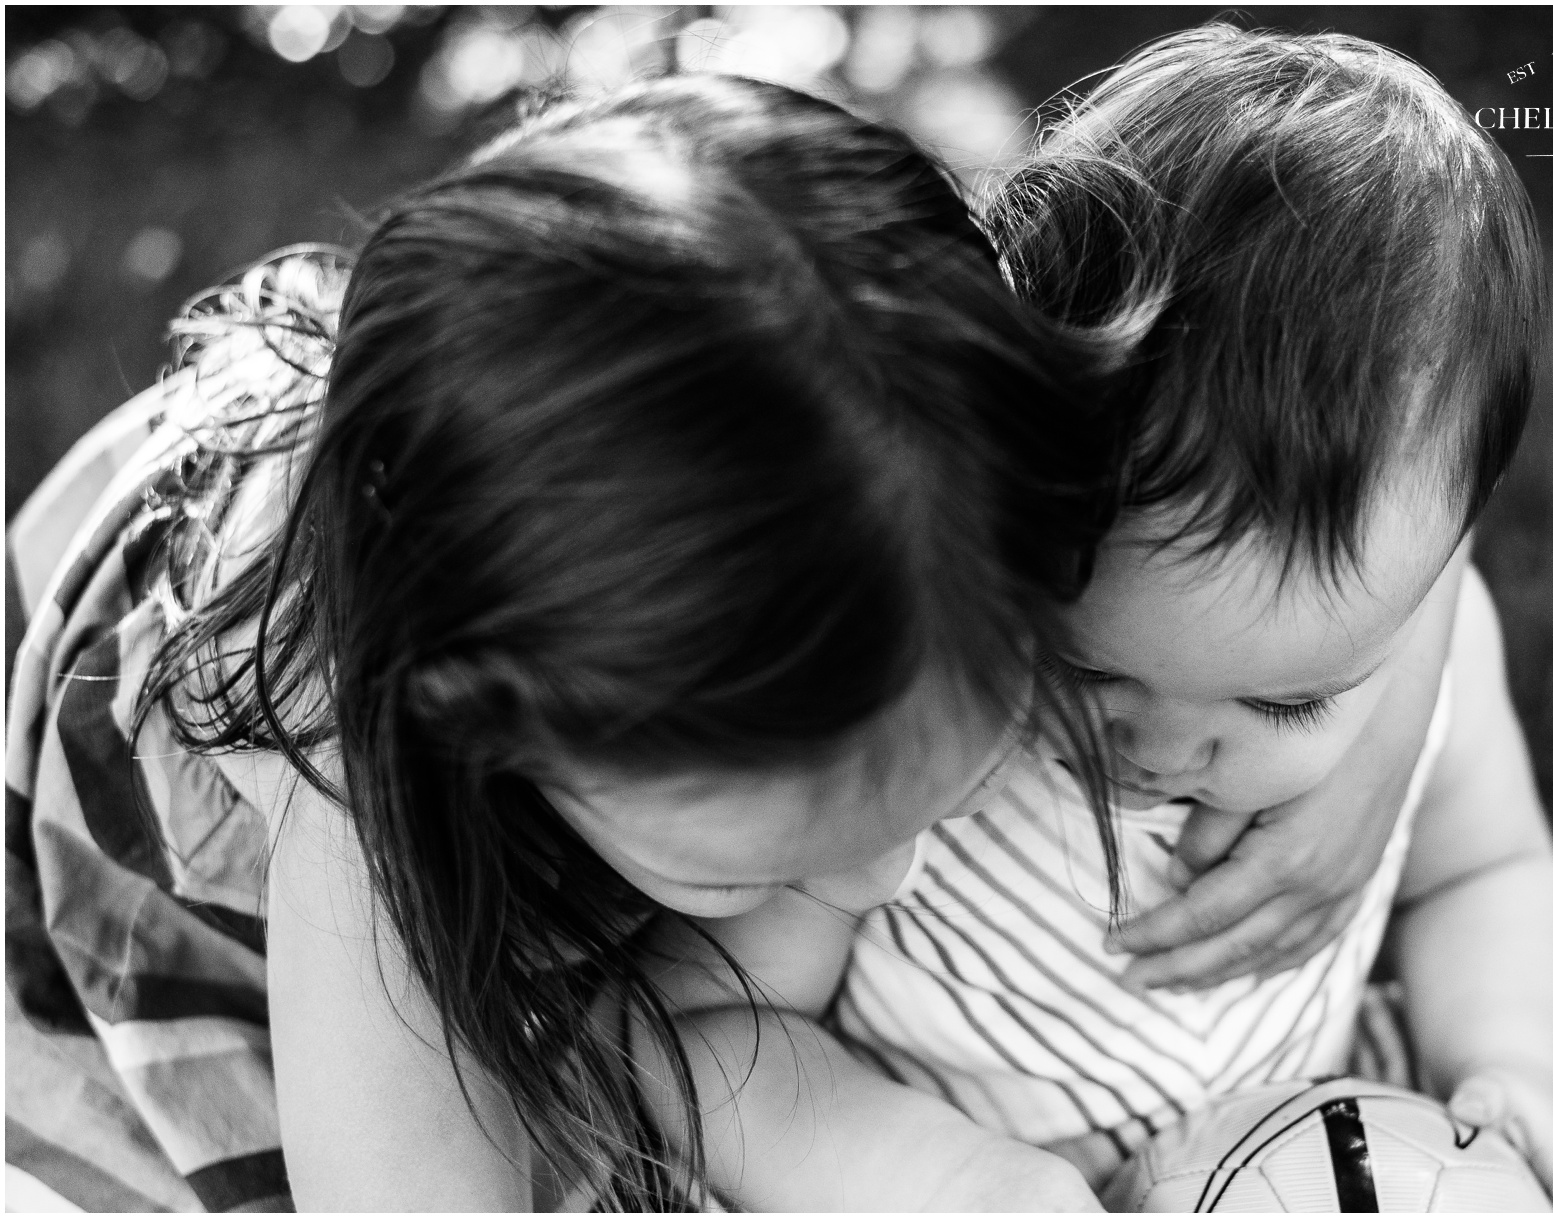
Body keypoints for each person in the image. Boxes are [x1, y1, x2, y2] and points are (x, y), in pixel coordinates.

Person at [6, 75, 1133, 1211]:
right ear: (489, 717)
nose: (891, 879)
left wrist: (1315, 751)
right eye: (752, 865)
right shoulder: (340, 750)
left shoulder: (936, 479)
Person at [643, 26, 1553, 1213]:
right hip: (955, 1150)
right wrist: (958, 1179)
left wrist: (1500, 1063)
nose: (1170, 755)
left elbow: (1482, 874)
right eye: (1088, 677)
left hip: (1299, 1129)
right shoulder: (918, 708)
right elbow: (710, 1030)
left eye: (1287, 700)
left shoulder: (1431, 661)